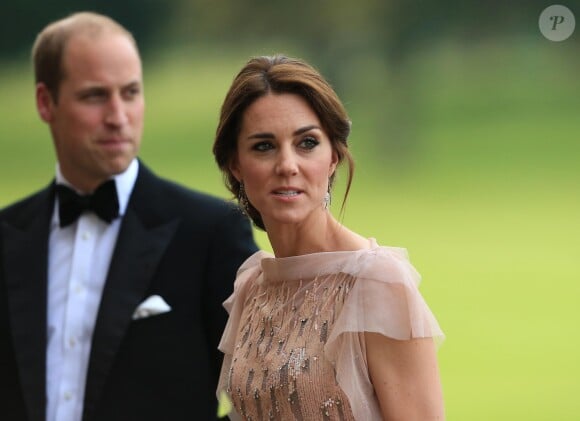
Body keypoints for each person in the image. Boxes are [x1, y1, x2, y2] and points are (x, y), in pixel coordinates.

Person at [0, 11, 258, 421]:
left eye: (131, 92)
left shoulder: (210, 232)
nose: (118, 116)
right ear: (45, 102)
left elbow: (267, 393)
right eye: (95, 96)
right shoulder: (7, 236)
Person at [212, 54, 445, 420]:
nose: (287, 165)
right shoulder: (252, 286)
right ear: (235, 165)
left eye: (306, 143)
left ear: (334, 156)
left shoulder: (377, 282)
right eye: (263, 146)